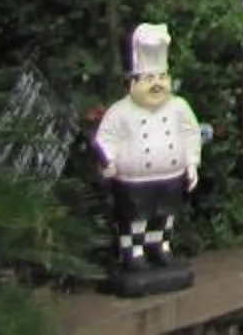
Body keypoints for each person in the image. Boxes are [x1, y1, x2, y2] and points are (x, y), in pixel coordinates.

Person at [93, 22, 206, 294]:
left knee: (165, 216)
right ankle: (133, 252)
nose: (157, 84)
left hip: (171, 177)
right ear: (133, 82)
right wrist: (107, 161)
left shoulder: (178, 107)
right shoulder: (121, 111)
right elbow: (105, 139)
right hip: (134, 181)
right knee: (136, 218)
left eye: (162, 77)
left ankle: (161, 247)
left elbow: (191, 134)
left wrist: (191, 163)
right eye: (149, 78)